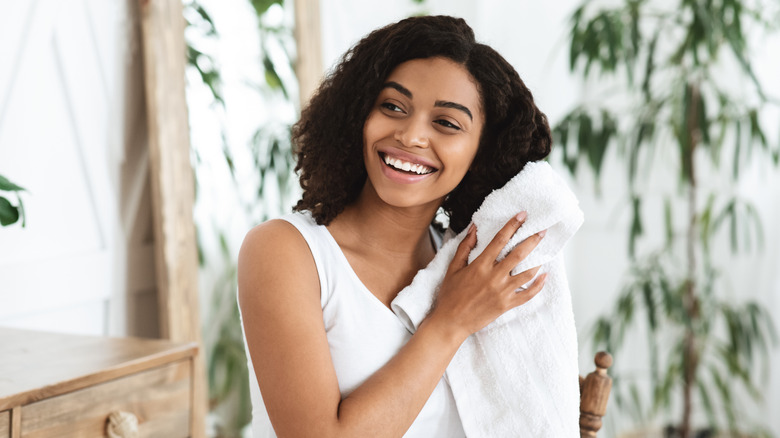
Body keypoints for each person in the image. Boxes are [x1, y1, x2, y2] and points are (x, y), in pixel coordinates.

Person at [238, 15, 553, 437]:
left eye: (446, 123)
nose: (410, 136)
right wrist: (449, 323)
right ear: (357, 114)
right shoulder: (286, 252)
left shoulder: (464, 267)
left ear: (482, 152)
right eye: (392, 106)